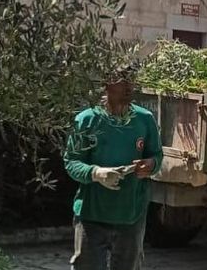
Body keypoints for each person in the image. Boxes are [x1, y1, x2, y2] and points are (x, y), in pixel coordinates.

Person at [64, 64, 163, 270]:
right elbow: (71, 162)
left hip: (131, 215)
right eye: (122, 80)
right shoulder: (87, 120)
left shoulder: (144, 119)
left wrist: (150, 165)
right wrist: (96, 173)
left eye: (131, 80)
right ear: (106, 85)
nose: (128, 86)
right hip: (92, 215)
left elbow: (156, 155)